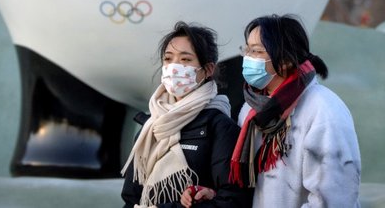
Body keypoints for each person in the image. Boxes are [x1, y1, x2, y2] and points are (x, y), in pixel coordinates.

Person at [230, 14, 361, 207]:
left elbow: (334, 198)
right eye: (247, 50)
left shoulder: (324, 110)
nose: (247, 58)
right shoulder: (251, 109)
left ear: (285, 61)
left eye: (257, 51)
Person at [122, 21, 252, 208]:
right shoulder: (150, 126)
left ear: (207, 70)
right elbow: (130, 198)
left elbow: (232, 201)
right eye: (168, 59)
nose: (174, 67)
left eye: (185, 60)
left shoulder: (220, 128)